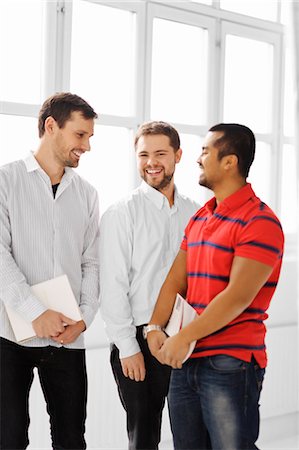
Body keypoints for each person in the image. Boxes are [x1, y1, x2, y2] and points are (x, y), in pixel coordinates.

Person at [147, 123, 284, 450]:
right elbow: (175, 280)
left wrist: (182, 337)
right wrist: (154, 327)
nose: (198, 159)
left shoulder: (260, 222)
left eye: (206, 151)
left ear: (229, 162)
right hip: (186, 361)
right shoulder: (200, 218)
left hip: (230, 363)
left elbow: (237, 297)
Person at [0, 92, 100, 450]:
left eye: (90, 137)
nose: (87, 145)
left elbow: (92, 262)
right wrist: (35, 312)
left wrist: (85, 317)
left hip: (68, 336)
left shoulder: (87, 194)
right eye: (80, 135)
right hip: (8, 338)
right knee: (8, 438)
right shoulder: (6, 181)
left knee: (72, 439)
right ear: (51, 126)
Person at [99, 121, 199, 450]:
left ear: (178, 155)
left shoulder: (195, 214)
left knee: (193, 430)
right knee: (144, 437)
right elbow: (112, 285)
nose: (151, 162)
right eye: (143, 154)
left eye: (160, 153)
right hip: (139, 340)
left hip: (186, 335)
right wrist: (128, 348)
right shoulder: (121, 213)